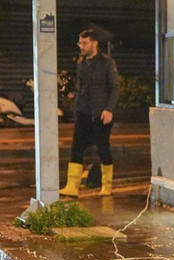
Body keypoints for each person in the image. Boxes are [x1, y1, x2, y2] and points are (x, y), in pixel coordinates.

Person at [60, 28, 119, 198]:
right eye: (80, 43)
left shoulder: (107, 63)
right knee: (76, 148)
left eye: (85, 43)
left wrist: (109, 109)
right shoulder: (80, 63)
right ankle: (72, 186)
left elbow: (115, 88)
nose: (82, 46)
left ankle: (107, 185)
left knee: (102, 148)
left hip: (100, 113)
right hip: (83, 111)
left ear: (95, 43)